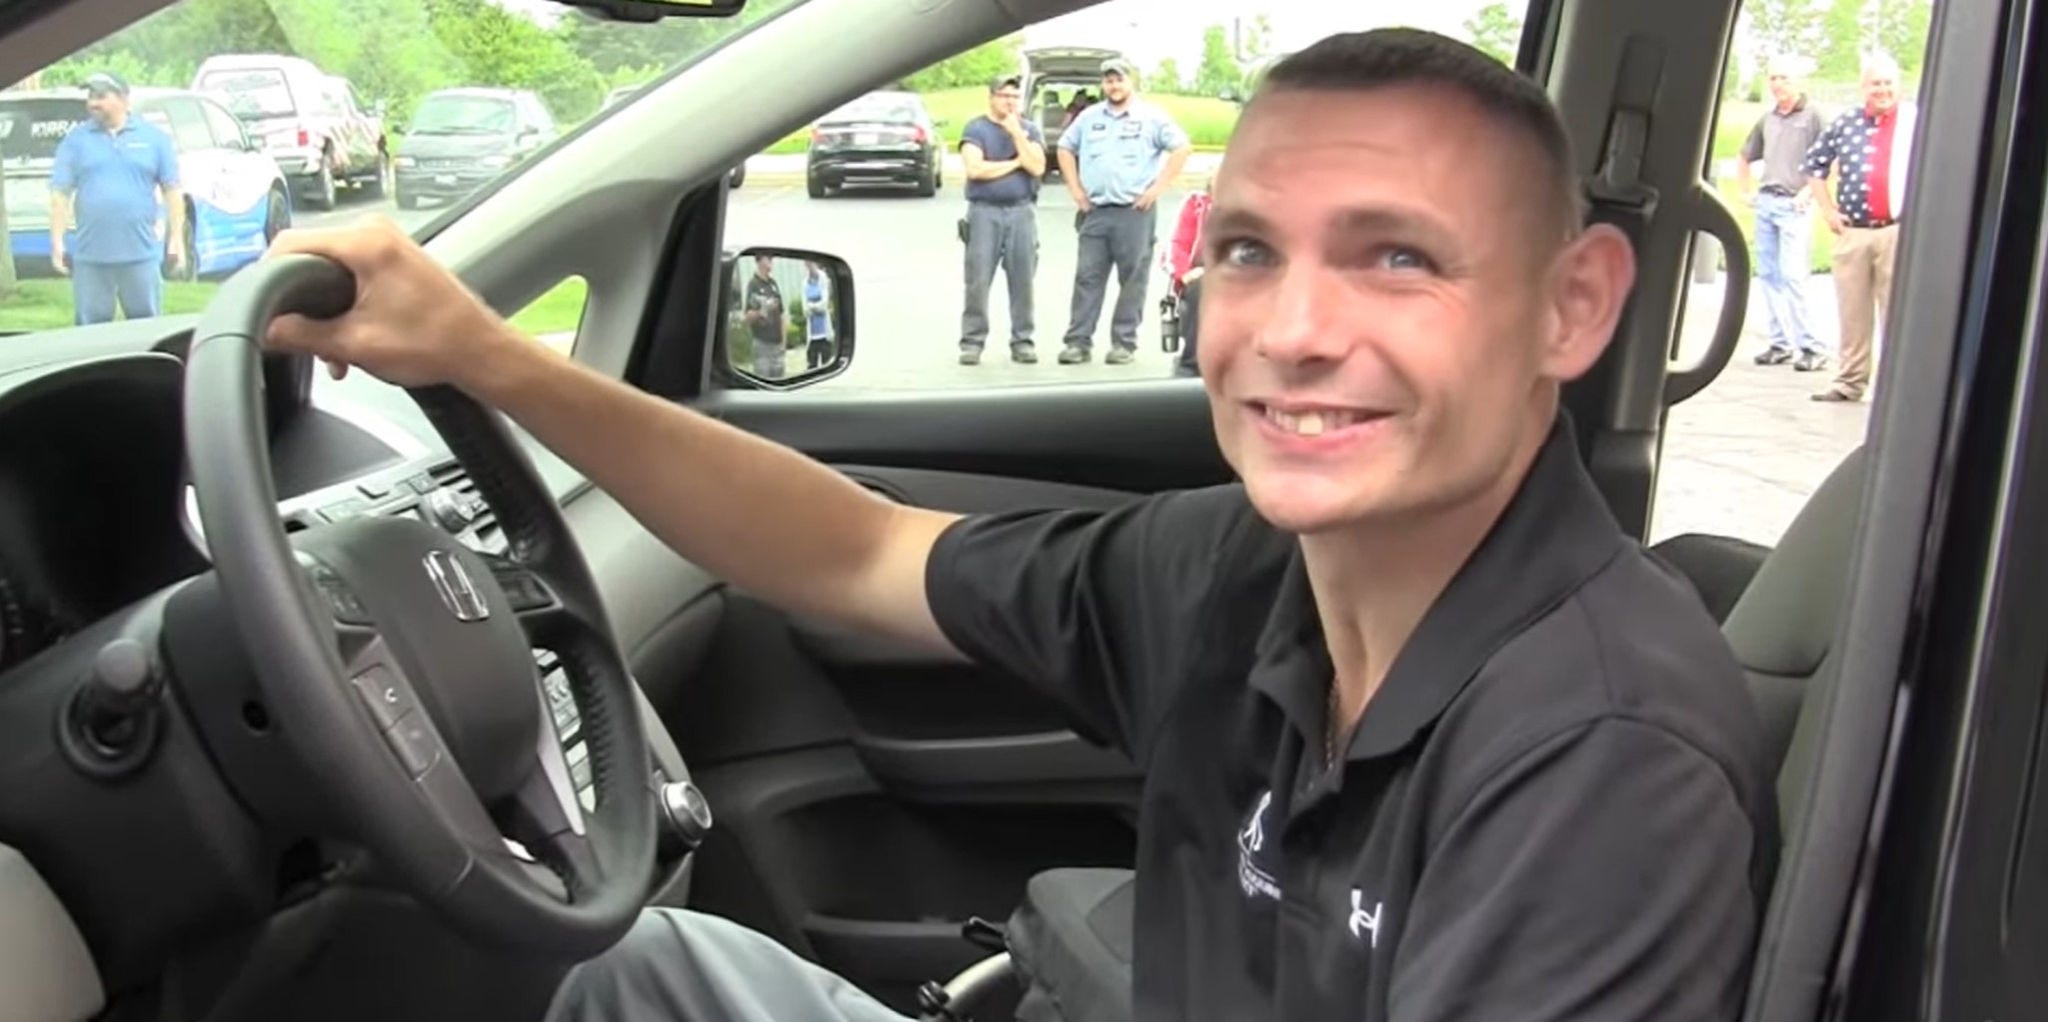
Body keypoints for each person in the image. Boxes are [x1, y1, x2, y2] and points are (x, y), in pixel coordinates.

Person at [263, 28, 1776, 1021]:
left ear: (1571, 306)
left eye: (1396, 259)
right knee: (620, 968)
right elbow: (858, 551)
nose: (1296, 330)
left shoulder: (1606, 761)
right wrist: (485, 354)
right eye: (1247, 251)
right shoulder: (1241, 570)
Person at [1054, 59, 1193, 365]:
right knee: (1087, 278)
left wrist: (1157, 189)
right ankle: (1078, 342)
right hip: (1096, 211)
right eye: (1108, 81)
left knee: (1132, 280)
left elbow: (1182, 148)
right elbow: (1065, 147)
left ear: (1131, 81)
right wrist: (1076, 190)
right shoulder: (1089, 117)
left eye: (1118, 80)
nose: (1113, 86)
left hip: (1134, 212)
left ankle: (1124, 343)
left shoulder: (1151, 117)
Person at [1803, 52, 1916, 403]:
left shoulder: (1915, 124)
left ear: (1897, 86)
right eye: (1875, 84)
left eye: (1887, 83)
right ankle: (1849, 382)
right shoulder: (1846, 122)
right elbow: (1814, 165)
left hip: (1896, 230)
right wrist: (1828, 210)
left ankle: (1898, 387)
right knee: (1852, 311)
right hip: (1853, 233)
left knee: (1896, 311)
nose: (1881, 90)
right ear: (1862, 87)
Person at [49, 71, 184, 325]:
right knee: (90, 336)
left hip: (141, 256)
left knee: (147, 329)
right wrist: (57, 242)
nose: (92, 103)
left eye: (100, 96)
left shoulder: (154, 139)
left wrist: (176, 240)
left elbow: (172, 191)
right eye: (90, 97)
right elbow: (60, 194)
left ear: (123, 98)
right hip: (91, 259)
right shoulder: (75, 141)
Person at [1737, 54, 1828, 372]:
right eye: (1774, 78)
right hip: (1768, 200)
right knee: (1769, 274)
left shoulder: (1813, 116)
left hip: (1794, 204)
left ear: (1797, 82)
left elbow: (1829, 159)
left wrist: (1810, 193)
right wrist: (1746, 191)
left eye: (1784, 78)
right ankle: (1780, 343)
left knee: (1793, 275)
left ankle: (1812, 346)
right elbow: (1746, 154)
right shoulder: (1768, 119)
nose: (1778, 84)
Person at [957, 73, 1047, 366]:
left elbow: (1036, 167)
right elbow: (976, 170)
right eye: (1004, 95)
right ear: (992, 97)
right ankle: (972, 342)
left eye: (1014, 97)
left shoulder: (1030, 129)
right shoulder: (976, 129)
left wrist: (1017, 133)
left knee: (1023, 280)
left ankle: (1023, 341)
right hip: (984, 212)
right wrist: (1015, 162)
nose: (1009, 101)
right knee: (977, 281)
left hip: (1022, 212)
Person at [1162, 177, 1213, 378]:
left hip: (1246, 274)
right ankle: (1192, 364)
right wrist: (1184, 273)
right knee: (1201, 287)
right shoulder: (1195, 205)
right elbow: (1176, 245)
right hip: (1200, 275)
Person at [741, 255, 785, 380]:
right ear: (759, 261)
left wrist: (784, 343)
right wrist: (763, 309)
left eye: (772, 258)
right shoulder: (753, 285)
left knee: (780, 383)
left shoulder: (773, 284)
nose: (771, 261)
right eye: (768, 257)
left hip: (777, 346)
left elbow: (782, 314)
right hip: (762, 345)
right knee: (763, 384)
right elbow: (748, 317)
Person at [802, 261, 835, 370]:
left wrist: (811, 305)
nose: (810, 266)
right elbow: (805, 309)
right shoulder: (805, 283)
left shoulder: (823, 279)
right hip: (812, 335)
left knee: (827, 366)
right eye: (807, 264)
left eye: (811, 263)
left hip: (824, 334)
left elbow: (824, 305)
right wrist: (815, 306)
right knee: (812, 366)